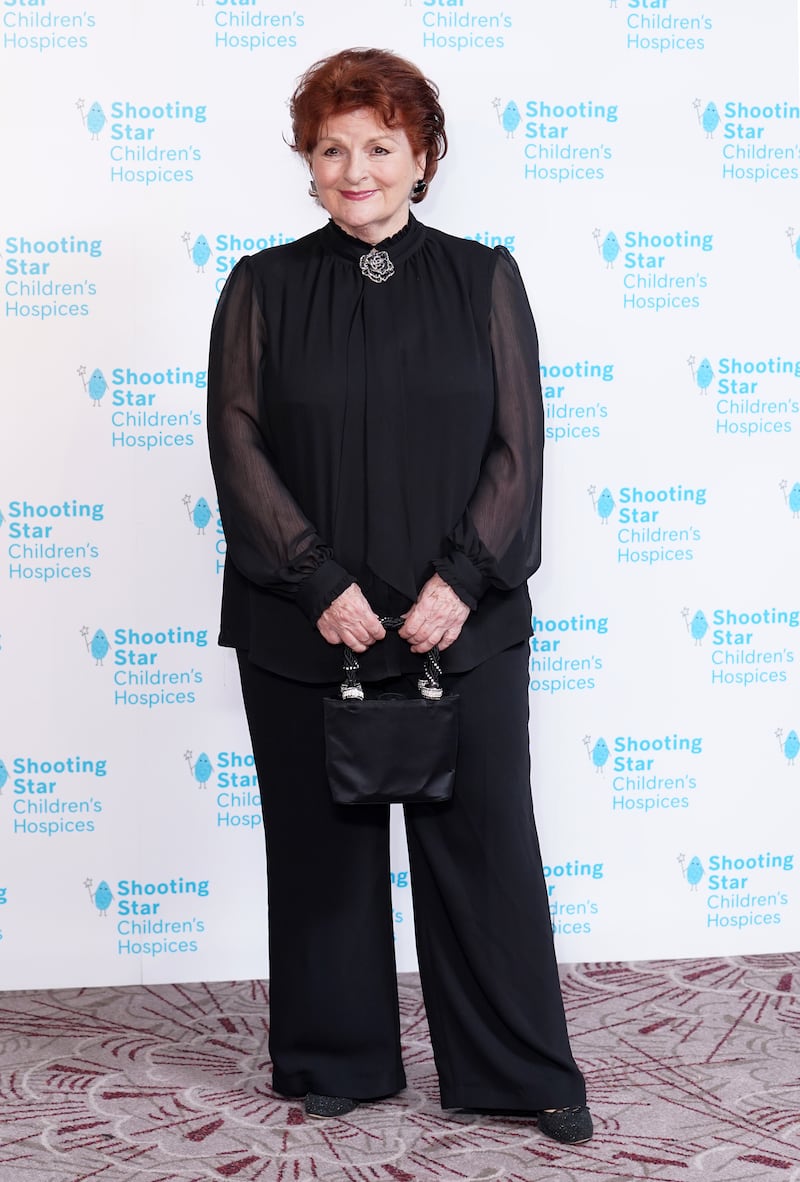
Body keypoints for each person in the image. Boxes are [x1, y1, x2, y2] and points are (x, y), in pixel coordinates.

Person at [207, 47, 592, 1144]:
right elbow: (235, 442)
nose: (355, 168)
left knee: (483, 848)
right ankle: (337, 1058)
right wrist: (313, 578)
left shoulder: (481, 277)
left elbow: (518, 444)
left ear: (421, 157)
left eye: (378, 146)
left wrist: (461, 582)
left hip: (458, 623)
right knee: (319, 849)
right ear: (307, 165)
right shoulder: (262, 286)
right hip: (302, 622)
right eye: (331, 149)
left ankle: (519, 1071)